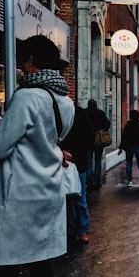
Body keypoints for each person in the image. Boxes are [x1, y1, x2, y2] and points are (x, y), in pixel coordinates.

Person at [0, 35, 74, 277]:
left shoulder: (26, 97)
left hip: (20, 196)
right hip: (50, 193)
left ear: (31, 60)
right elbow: (52, 143)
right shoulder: (65, 102)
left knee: (5, 259)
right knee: (42, 270)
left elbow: (1, 147)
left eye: (23, 61)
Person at [60, 104, 94, 245]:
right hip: (64, 162)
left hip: (77, 163)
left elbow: (89, 138)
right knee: (71, 198)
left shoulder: (78, 114)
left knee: (77, 197)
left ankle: (79, 230)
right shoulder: (60, 113)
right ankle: (76, 231)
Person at [118, 110, 139, 187]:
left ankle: (130, 181)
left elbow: (124, 137)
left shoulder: (128, 125)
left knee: (129, 163)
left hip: (129, 146)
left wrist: (121, 147)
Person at [85, 99, 110, 188]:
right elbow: (107, 124)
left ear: (88, 105)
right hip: (98, 140)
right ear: (95, 105)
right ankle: (97, 182)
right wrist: (101, 129)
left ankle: (89, 182)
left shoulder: (85, 112)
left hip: (87, 141)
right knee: (98, 161)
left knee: (88, 163)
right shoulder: (100, 113)